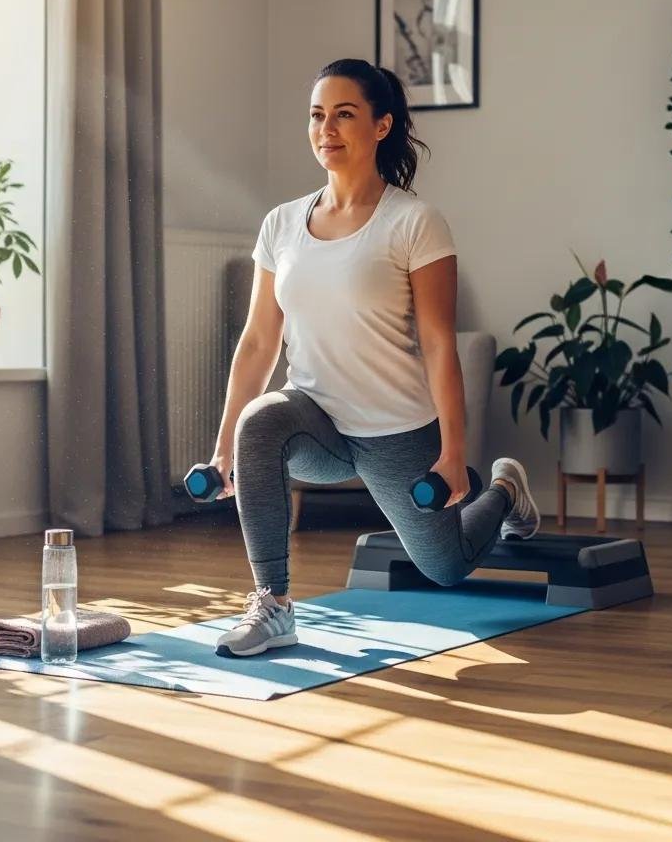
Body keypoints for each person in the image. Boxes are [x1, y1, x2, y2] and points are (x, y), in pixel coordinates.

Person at [206, 57, 539, 658]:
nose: (326, 129)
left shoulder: (415, 222)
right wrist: (225, 440)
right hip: (318, 423)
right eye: (316, 116)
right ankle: (274, 606)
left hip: (396, 429)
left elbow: (440, 342)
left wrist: (454, 454)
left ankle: (506, 493)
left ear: (381, 127)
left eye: (344, 115)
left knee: (446, 567)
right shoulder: (281, 224)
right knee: (260, 423)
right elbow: (259, 340)